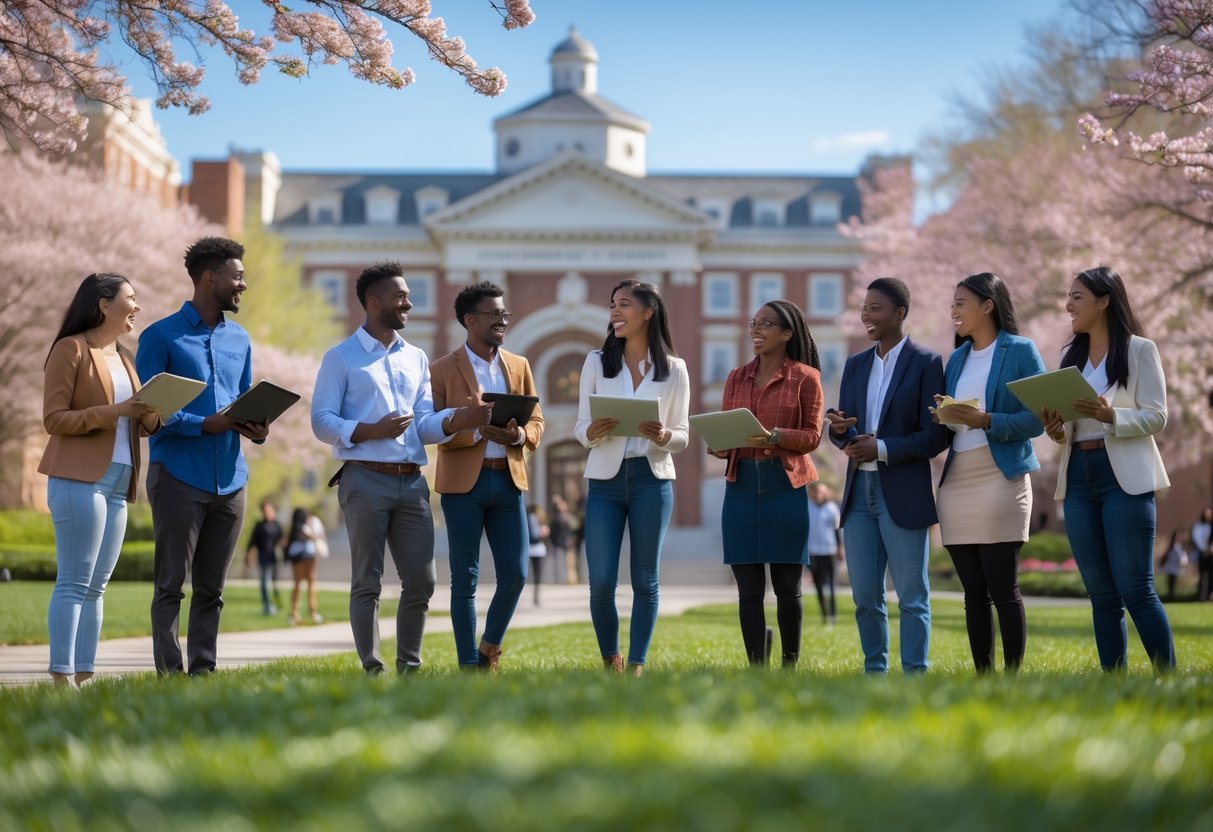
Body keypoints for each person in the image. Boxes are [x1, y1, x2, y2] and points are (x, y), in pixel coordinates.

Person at [311, 262, 491, 675]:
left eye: (409, 295)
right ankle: (373, 668)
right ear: (374, 303)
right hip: (364, 479)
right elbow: (321, 421)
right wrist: (370, 429)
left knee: (422, 582)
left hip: (411, 483)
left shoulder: (416, 357)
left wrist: (457, 419)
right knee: (367, 582)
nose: (408, 302)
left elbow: (423, 423)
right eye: (400, 296)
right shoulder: (341, 358)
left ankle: (409, 667)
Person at [137, 237, 269, 677]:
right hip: (177, 476)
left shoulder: (241, 339)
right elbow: (148, 411)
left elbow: (245, 399)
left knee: (212, 589)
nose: (243, 285)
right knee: (171, 585)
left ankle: (203, 672)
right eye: (237, 276)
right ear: (210, 278)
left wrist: (258, 425)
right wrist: (201, 423)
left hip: (231, 478)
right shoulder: (160, 336)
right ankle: (170, 674)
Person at [1041, 266, 1176, 672]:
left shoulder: (1139, 350)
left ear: (1104, 301)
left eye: (1077, 296)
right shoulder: (1072, 359)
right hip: (1079, 475)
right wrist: (1055, 429)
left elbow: (1157, 416)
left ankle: (1166, 677)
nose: (1068, 304)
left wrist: (1111, 414)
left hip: (1125, 478)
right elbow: (1068, 429)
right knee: (1101, 594)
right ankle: (1113, 680)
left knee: (1136, 588)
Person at [39, 273, 159, 687]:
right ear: (104, 304)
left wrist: (154, 409)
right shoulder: (70, 349)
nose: (137, 307)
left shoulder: (125, 356)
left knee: (97, 586)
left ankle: (85, 678)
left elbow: (139, 419)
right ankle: (60, 677)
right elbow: (53, 420)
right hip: (78, 478)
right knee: (74, 581)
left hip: (119, 483)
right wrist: (116, 411)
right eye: (131, 298)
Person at [826, 277, 949, 674]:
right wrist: (840, 430)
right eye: (864, 308)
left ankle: (915, 673)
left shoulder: (927, 362)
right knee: (864, 595)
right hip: (858, 491)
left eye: (875, 308)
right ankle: (874, 672)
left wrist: (881, 448)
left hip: (903, 488)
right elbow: (842, 429)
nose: (866, 315)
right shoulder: (855, 364)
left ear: (900, 313)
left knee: (912, 595)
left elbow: (937, 434)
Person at [575, 279, 690, 675]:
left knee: (646, 578)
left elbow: (683, 434)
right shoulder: (596, 361)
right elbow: (580, 426)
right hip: (605, 482)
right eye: (612, 306)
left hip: (651, 480)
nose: (615, 312)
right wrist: (592, 431)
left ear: (648, 312)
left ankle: (638, 663)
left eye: (624, 304)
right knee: (602, 580)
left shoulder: (675, 370)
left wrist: (664, 436)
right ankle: (612, 659)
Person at [933, 272, 1046, 674]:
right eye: (952, 303)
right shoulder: (958, 358)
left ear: (988, 306)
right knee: (973, 593)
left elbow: (1037, 418)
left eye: (961, 303)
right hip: (958, 479)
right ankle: (984, 675)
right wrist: (946, 414)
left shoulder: (1020, 350)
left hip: (1001, 476)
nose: (953, 311)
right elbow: (952, 424)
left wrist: (986, 420)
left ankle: (1012, 676)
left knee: (1002, 587)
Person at [430, 281, 545, 671]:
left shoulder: (519, 365)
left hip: (509, 482)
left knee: (516, 574)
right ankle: (467, 666)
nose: (502, 320)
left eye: (504, 314)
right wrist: (475, 427)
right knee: (465, 580)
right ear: (469, 320)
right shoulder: (442, 369)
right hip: (464, 486)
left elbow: (538, 422)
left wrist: (518, 434)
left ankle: (487, 650)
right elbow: (433, 428)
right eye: (494, 314)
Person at [709, 300, 824, 668]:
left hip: (784, 484)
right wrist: (719, 444)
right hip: (740, 484)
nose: (756, 330)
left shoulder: (806, 376)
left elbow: (812, 437)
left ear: (787, 333)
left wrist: (773, 436)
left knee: (788, 589)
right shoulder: (735, 377)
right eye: (754, 323)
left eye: (767, 325)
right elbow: (726, 434)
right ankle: (757, 667)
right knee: (748, 591)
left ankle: (790, 665)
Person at [806, 482, 843, 626]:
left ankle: (832, 615)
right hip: (813, 552)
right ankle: (824, 614)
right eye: (817, 492)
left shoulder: (832, 509)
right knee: (818, 585)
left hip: (830, 551)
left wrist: (840, 548)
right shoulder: (808, 507)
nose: (819, 494)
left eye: (822, 492)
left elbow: (836, 530)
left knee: (831, 585)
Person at [284, 507, 324, 625]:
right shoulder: (305, 528)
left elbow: (287, 544)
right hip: (308, 555)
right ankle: (313, 611)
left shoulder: (293, 529)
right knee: (311, 582)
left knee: (297, 583)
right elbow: (314, 538)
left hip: (296, 557)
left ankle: (294, 612)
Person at [243, 501, 283, 616]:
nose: (267, 512)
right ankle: (267, 605)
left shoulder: (276, 525)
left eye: (269, 510)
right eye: (265, 510)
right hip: (263, 556)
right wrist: (248, 555)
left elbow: (282, 540)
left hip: (274, 557)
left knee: (275, 581)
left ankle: (276, 601)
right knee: (265, 581)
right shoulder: (259, 525)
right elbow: (252, 541)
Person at [548, 494, 574, 585]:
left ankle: (565, 580)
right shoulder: (556, 518)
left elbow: (572, 530)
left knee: (566, 564)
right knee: (560, 563)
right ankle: (561, 581)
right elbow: (552, 533)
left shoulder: (567, 518)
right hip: (558, 544)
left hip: (565, 544)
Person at [527, 505, 550, 606]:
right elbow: (535, 535)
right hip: (536, 549)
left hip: (534, 549)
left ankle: (536, 596)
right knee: (538, 575)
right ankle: (536, 596)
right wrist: (543, 532)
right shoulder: (532, 518)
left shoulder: (530, 517)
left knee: (537, 574)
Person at [1158, 530, 1188, 603]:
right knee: (1172, 585)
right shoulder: (1176, 547)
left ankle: (1170, 597)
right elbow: (1179, 558)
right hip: (1174, 569)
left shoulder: (1172, 546)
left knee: (1171, 585)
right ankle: (1171, 598)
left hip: (1170, 569)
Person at [1193, 506, 1213, 601]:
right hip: (1202, 553)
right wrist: (1205, 549)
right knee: (1203, 575)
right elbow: (1197, 539)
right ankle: (1201, 596)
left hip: (1211, 554)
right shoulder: (1198, 526)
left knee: (1211, 575)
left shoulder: (1211, 526)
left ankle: (1209, 595)